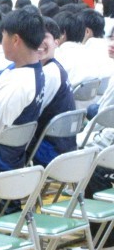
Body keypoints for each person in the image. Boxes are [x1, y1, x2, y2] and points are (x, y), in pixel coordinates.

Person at [0, 6, 45, 219]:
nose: (0, 42)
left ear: (15, 40)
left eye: (3, 36)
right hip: (12, 161)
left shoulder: (19, 83)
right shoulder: (28, 70)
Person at [30, 17, 76, 166]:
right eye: (35, 36)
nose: (39, 41)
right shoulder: (55, 67)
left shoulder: (49, 73)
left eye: (45, 37)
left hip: (50, 151)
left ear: (57, 42)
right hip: (62, 146)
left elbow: (31, 114)